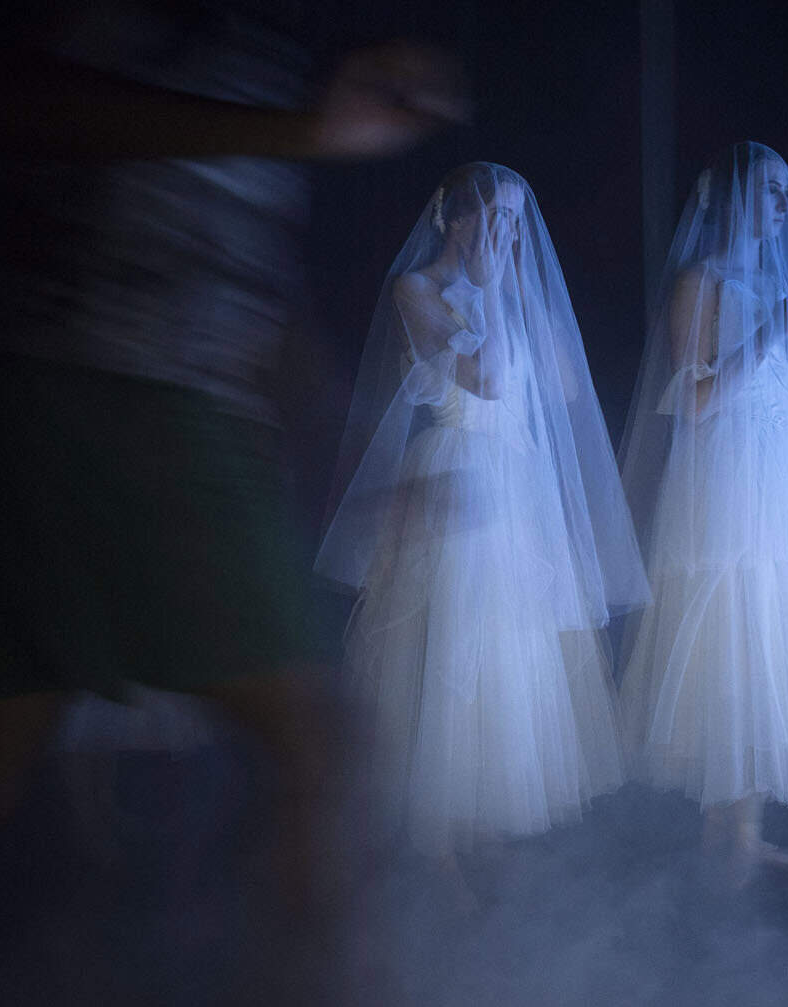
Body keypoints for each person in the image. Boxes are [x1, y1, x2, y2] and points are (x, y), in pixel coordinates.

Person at [0, 3, 468, 1003]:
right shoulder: (129, 31)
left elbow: (255, 292)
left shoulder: (255, 49)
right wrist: (300, 130)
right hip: (131, 395)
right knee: (320, 746)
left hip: (114, 403)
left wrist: (354, 452)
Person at [314, 163, 648, 910]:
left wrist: (519, 288)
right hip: (458, 474)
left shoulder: (509, 289)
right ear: (459, 219)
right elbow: (486, 380)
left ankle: (484, 818)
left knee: (511, 653)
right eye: (500, 217)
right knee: (454, 650)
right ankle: (435, 841)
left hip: (519, 488)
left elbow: (562, 386)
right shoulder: (417, 291)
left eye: (519, 221)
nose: (511, 234)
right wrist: (494, 290)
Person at [616, 142, 788, 885]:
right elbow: (695, 401)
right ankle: (733, 833)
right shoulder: (699, 282)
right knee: (734, 631)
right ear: (736, 194)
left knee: (776, 633)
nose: (782, 205)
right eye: (770, 191)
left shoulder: (774, 283)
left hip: (780, 472)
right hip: (725, 476)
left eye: (784, 193)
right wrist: (774, 328)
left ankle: (737, 830)